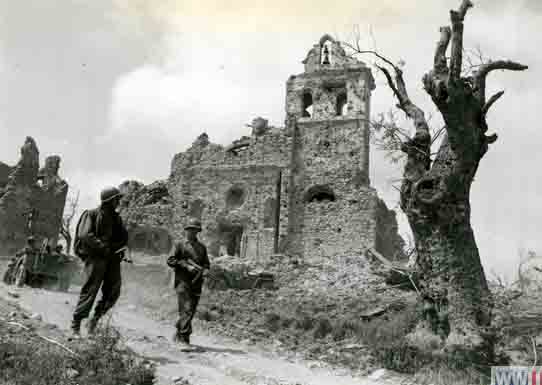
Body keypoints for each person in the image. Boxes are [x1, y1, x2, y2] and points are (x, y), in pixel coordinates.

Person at [70, 186, 128, 337]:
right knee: (91, 290)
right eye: (116, 199)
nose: (118, 202)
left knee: (113, 292)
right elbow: (85, 235)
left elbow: (123, 238)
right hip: (96, 258)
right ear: (109, 200)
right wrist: (103, 247)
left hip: (112, 259)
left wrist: (119, 248)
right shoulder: (92, 214)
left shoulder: (117, 218)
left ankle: (94, 321)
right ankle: (76, 325)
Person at [167, 219, 210, 349]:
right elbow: (171, 260)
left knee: (191, 311)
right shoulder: (179, 245)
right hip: (183, 282)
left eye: (195, 230)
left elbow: (206, 263)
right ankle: (184, 340)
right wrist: (186, 266)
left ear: (198, 231)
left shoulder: (202, 247)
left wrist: (206, 270)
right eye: (190, 229)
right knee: (186, 308)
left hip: (197, 282)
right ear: (186, 230)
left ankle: (179, 332)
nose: (192, 232)